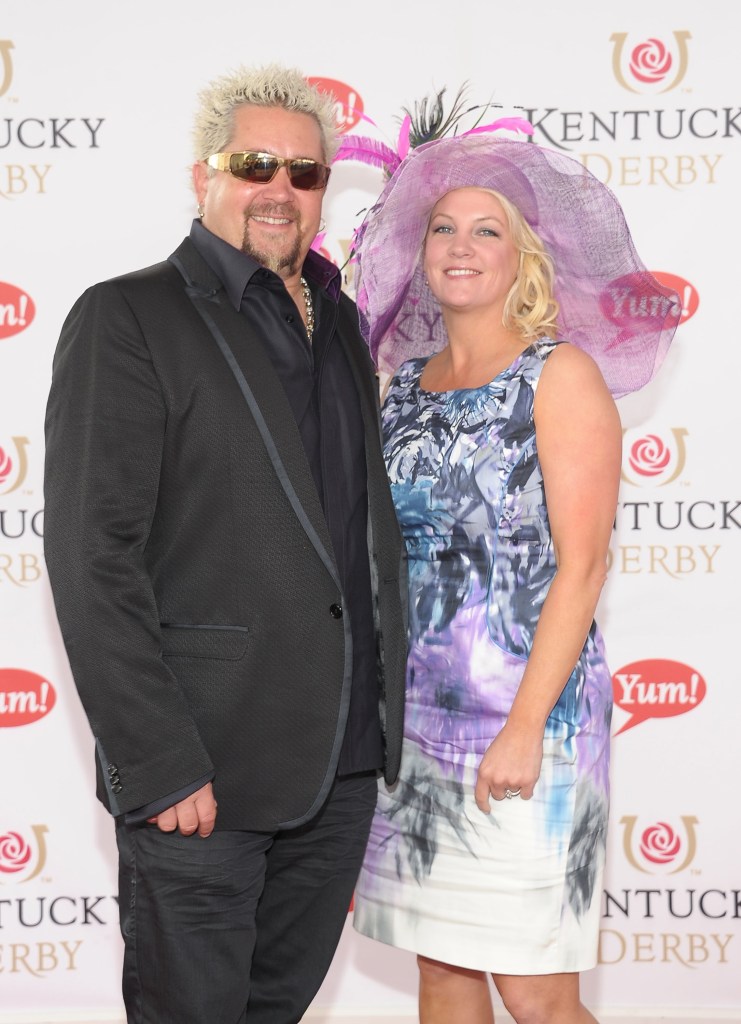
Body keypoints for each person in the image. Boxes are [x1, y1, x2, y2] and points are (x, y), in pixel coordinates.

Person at [43, 64, 407, 1024]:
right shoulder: (128, 318)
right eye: (255, 165)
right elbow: (92, 559)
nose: (279, 190)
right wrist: (158, 760)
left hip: (339, 769)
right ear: (202, 175)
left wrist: (375, 738)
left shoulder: (339, 324)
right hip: (201, 773)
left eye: (305, 172)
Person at [351, 132, 680, 1023]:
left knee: (535, 995)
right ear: (418, 255)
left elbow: (583, 567)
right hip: (411, 725)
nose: (460, 247)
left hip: (524, 719)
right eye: (443, 228)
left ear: (523, 254)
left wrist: (525, 725)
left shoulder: (558, 375)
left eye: (486, 231)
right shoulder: (403, 388)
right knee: (444, 972)